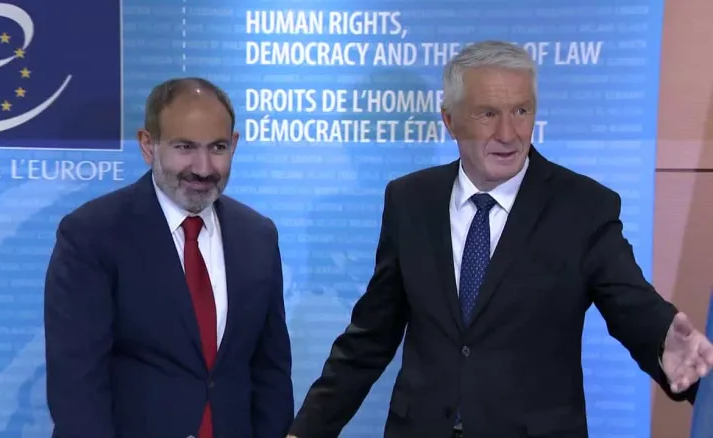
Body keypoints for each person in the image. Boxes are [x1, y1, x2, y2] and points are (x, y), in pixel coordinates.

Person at [287, 41, 713, 437]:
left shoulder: (583, 207)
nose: (509, 134)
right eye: (487, 114)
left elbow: (631, 304)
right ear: (450, 120)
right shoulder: (410, 200)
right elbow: (371, 336)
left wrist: (666, 346)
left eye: (521, 111)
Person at [44, 77, 294, 438]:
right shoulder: (92, 235)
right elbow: (77, 383)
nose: (203, 168)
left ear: (234, 144)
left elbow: (271, 373)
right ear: (148, 145)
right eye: (185, 147)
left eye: (218, 147)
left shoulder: (258, 236)